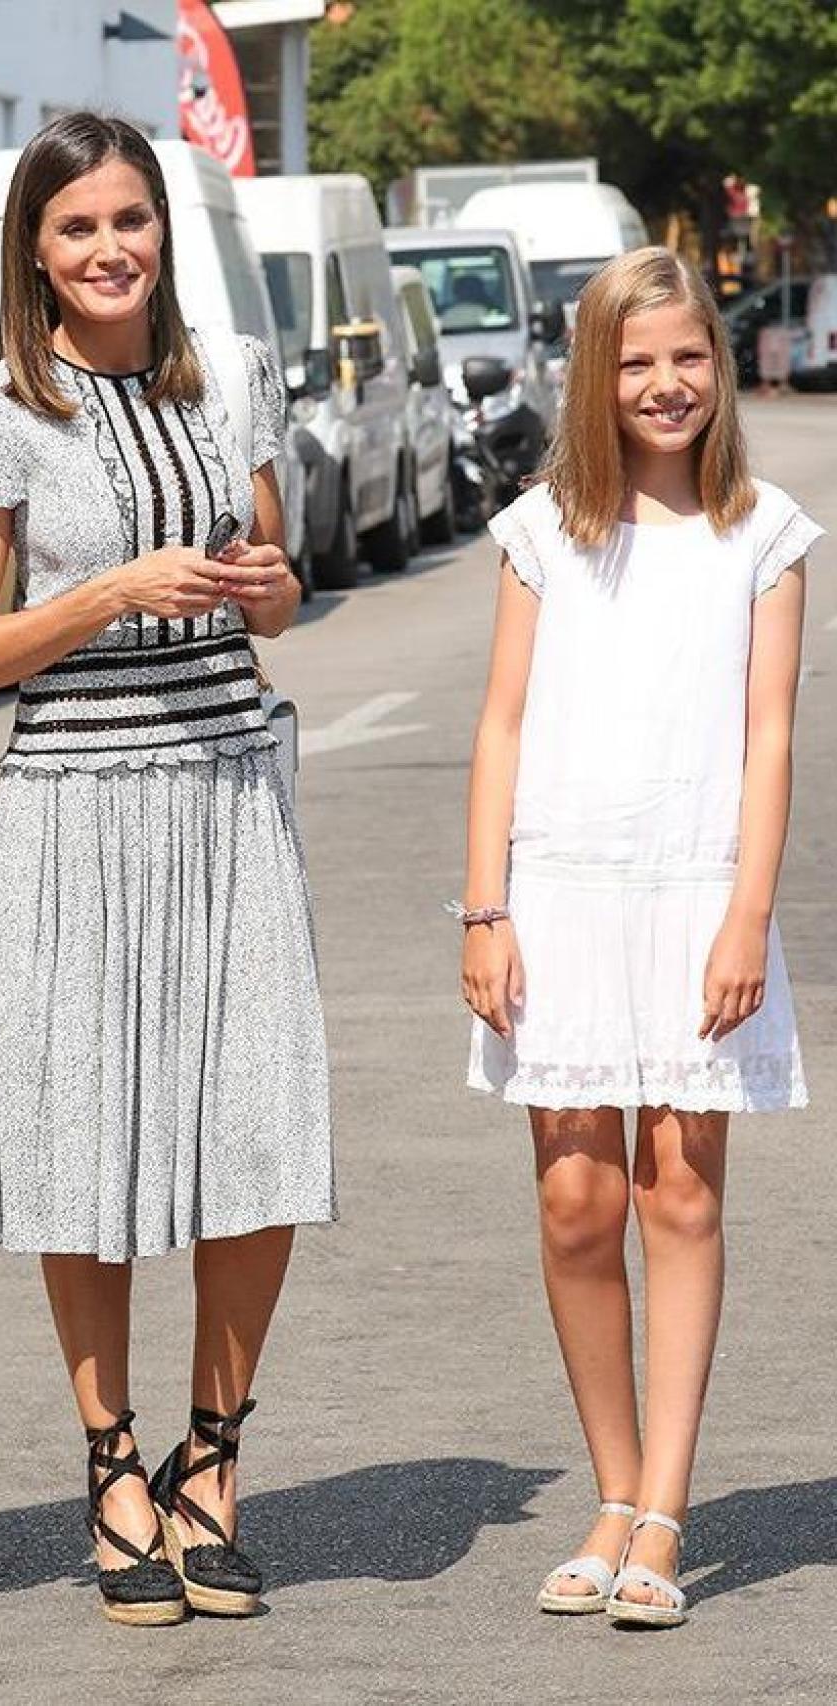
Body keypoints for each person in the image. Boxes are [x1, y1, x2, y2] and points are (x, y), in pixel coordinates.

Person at [0, 112, 334, 1627]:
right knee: (87, 1147)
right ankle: (110, 1463)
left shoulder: (234, 373)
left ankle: (213, 1460)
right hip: (76, 807)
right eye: (79, 227)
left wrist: (268, 585)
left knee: (260, 1123)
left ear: (164, 229)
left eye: (132, 222)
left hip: (231, 789)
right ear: (34, 248)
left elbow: (283, 593)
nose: (111, 251)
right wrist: (108, 589)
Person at [460, 247, 820, 1629]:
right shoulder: (543, 529)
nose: (665, 384)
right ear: (594, 378)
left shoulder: (764, 532)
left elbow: (772, 733)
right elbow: (497, 725)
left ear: (718, 369)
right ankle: (609, 1490)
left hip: (694, 895)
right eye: (636, 361)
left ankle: (661, 1507)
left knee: (680, 1189)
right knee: (574, 1198)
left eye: (688, 357)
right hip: (557, 894)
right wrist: (485, 908)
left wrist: (747, 911)